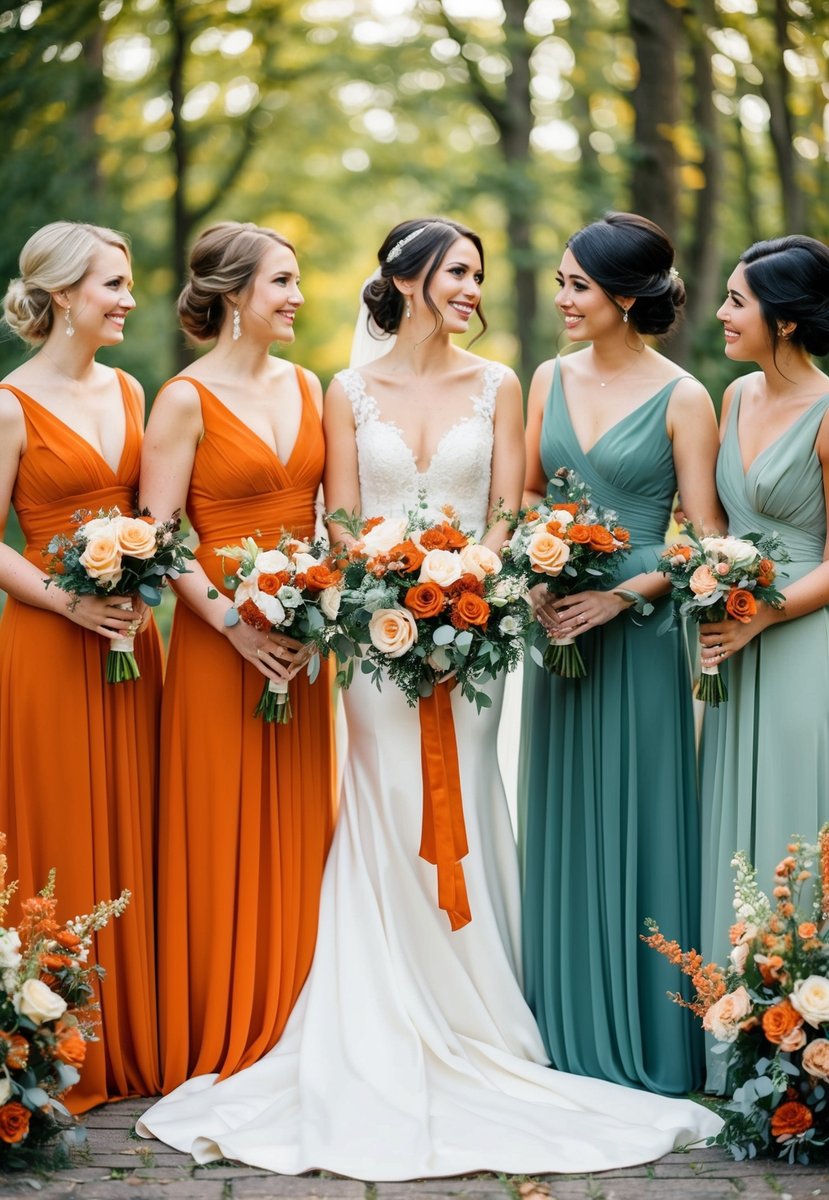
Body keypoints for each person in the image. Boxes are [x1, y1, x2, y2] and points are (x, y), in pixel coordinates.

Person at [137, 217, 720, 1177]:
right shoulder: (343, 388)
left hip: (474, 636)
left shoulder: (500, 384)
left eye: (478, 275)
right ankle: (380, 1007)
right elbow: (337, 514)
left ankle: (477, 1010)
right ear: (407, 279)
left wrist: (472, 590)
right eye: (456, 272)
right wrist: (377, 591)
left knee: (470, 799)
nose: (470, 289)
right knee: (381, 801)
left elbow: (506, 508)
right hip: (372, 640)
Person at [519, 212, 726, 1096]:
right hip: (557, 621)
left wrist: (621, 593)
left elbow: (705, 539)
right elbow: (527, 488)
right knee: (560, 818)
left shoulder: (684, 396)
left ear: (626, 297)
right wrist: (537, 565)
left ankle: (646, 1036)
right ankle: (561, 1027)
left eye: (576, 285)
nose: (561, 299)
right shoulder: (545, 376)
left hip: (638, 635)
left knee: (642, 819)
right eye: (561, 282)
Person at [138, 221, 336, 1091]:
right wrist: (234, 626)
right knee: (218, 827)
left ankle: (297, 1014)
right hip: (224, 645)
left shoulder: (308, 384)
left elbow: (330, 515)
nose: (296, 297)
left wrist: (318, 607)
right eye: (281, 282)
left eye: (296, 281)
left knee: (299, 829)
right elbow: (161, 536)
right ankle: (223, 1024)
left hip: (299, 642)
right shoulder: (182, 398)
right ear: (230, 294)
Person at [0, 221, 161, 1109]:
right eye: (113, 285)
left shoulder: (133, 391)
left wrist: (140, 581)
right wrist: (69, 601)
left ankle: (132, 1039)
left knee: (129, 827)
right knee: (59, 829)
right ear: (63, 295)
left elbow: (156, 511)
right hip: (49, 643)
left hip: (132, 645)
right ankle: (59, 1052)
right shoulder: (10, 404)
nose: (129, 300)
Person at [699, 236, 829, 1087]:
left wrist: (761, 617)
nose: (720, 313)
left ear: (783, 319)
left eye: (737, 301)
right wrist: (708, 581)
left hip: (799, 643)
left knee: (791, 828)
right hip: (731, 638)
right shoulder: (734, 394)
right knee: (730, 832)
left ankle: (802, 1051)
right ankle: (733, 1047)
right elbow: (710, 521)